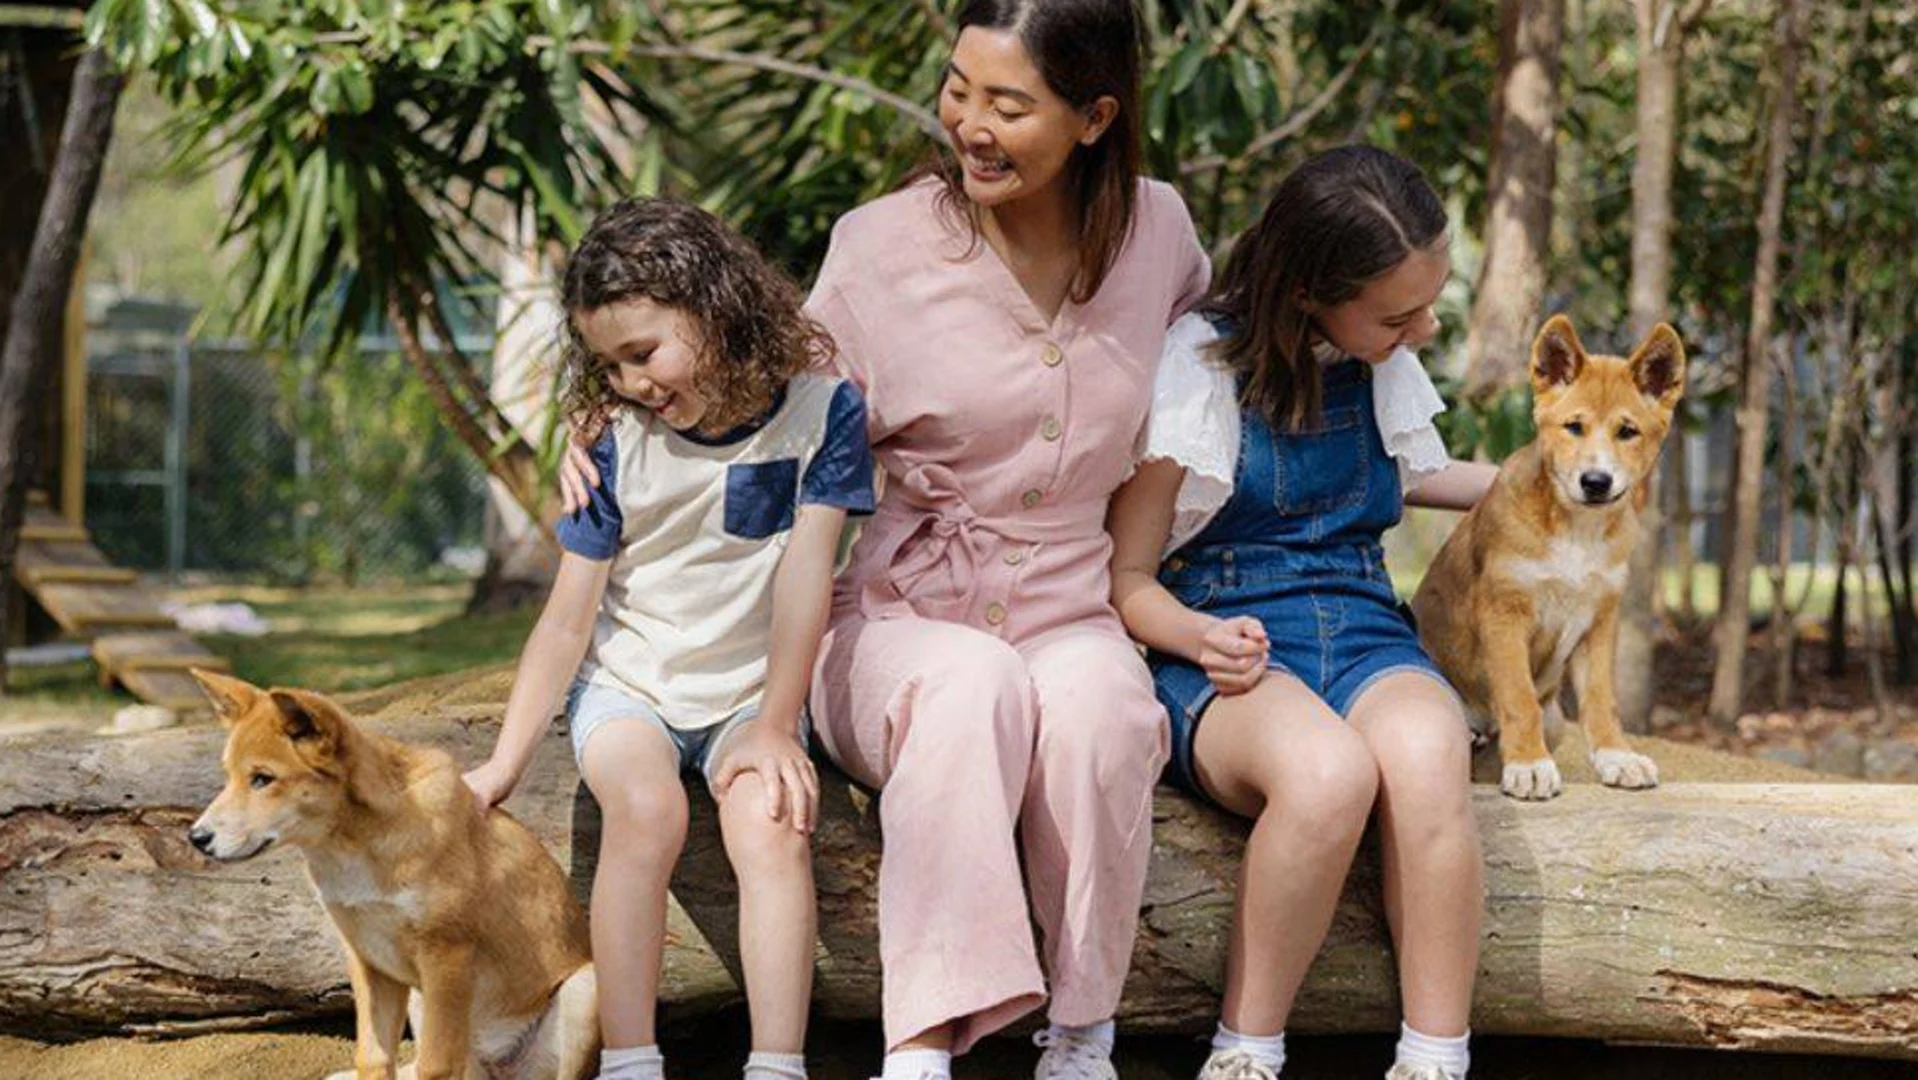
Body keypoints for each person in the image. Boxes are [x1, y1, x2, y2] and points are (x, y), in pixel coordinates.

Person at [1107, 145, 1495, 1080]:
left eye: (1428, 304)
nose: (1425, 328)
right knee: (1327, 777)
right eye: (1399, 313)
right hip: (1224, 635)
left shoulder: (1378, 360)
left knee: (1429, 754)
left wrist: (1550, 487)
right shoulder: (1197, 369)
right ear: (1308, 293)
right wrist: (1199, 639)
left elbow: (1419, 472)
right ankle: (1248, 1045)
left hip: (1362, 621)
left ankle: (1436, 1053)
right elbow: (1127, 581)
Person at [467, 197, 876, 1080]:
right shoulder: (613, 441)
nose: (633, 381)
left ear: (714, 306)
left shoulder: (824, 412)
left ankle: (776, 1063)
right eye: (610, 365)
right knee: (648, 811)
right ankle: (630, 1059)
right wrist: (503, 763)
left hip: (748, 692)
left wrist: (775, 724)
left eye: (645, 352)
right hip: (634, 687)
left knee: (772, 825)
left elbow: (810, 574)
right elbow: (570, 618)